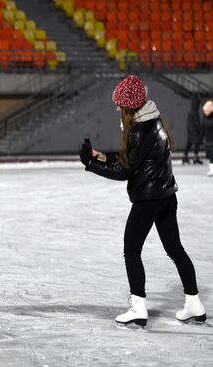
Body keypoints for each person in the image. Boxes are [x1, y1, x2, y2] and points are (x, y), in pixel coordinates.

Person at [79, 75, 206, 326]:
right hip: (167, 197)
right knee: (175, 249)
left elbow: (124, 171)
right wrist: (102, 156)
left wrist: (90, 164)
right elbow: (132, 158)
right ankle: (194, 304)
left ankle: (138, 308)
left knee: (131, 250)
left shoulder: (138, 130)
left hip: (148, 200)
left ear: (129, 105)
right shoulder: (154, 121)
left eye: (119, 104)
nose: (117, 108)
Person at [182, 96, 204, 165]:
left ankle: (186, 157)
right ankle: (194, 157)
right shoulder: (194, 112)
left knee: (190, 143)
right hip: (194, 131)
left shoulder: (192, 112)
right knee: (195, 144)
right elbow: (196, 123)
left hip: (191, 131)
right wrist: (199, 130)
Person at [201, 100, 213, 176]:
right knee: (209, 156)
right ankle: (211, 170)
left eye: (207, 111)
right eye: (205, 111)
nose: (206, 112)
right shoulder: (204, 119)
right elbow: (202, 130)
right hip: (208, 140)